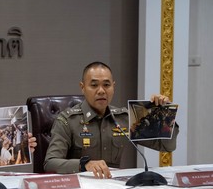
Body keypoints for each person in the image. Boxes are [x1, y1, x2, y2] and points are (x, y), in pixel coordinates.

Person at [44, 61, 179, 179]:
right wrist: (84, 164)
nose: (101, 91)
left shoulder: (123, 119)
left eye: (107, 85)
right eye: (94, 85)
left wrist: (165, 115)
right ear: (82, 87)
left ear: (113, 87)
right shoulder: (68, 120)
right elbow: (50, 163)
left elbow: (167, 146)